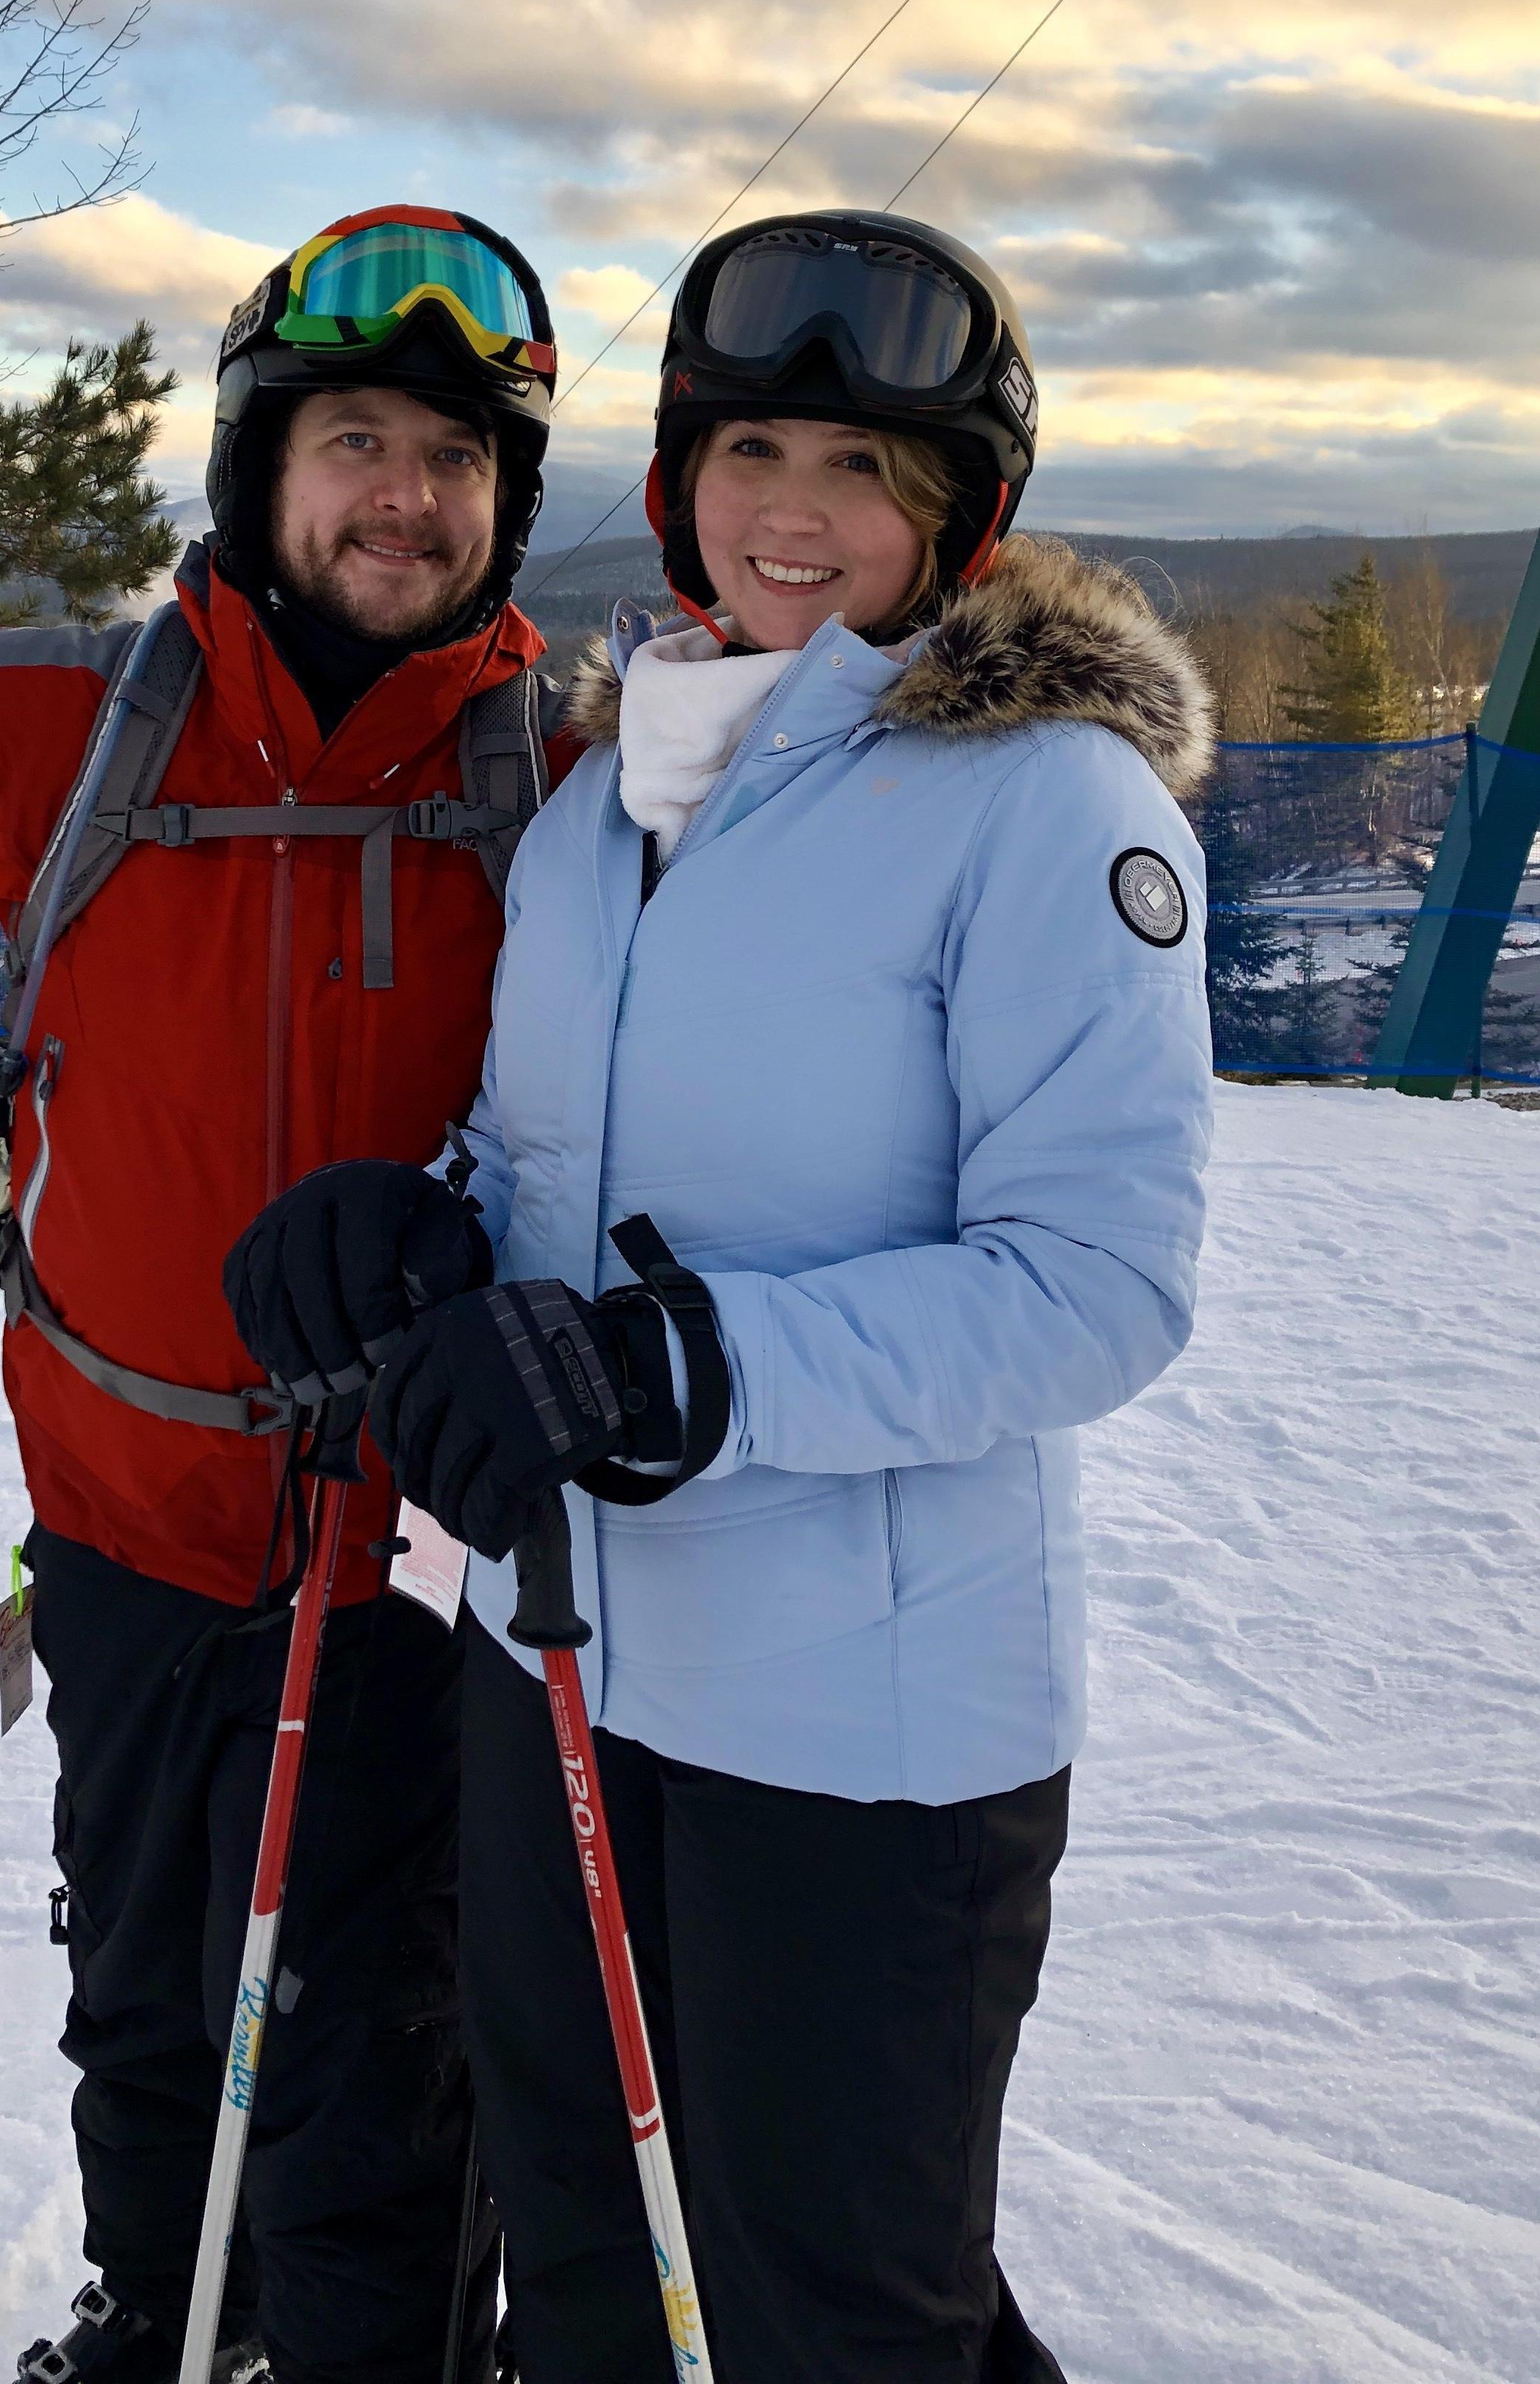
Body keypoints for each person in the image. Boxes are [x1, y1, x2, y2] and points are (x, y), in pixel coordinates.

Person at [224, 209, 1217, 2383]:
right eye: (760, 447)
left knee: (825, 2313)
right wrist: (417, 1228)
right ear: (683, 476)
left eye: (869, 472)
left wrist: (681, 1367)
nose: (799, 512)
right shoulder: (604, 799)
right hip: (560, 1656)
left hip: (863, 1734)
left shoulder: (1045, 807)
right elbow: (546, 1171)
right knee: (583, 2251)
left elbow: (1097, 1285)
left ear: (957, 525)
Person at [0, 208, 579, 2384]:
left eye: (456, 459)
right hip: (127, 1518)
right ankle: (173, 2323)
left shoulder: (562, 774)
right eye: (357, 438)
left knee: (392, 2040)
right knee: (157, 1987)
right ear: (264, 463)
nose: (405, 497)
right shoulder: (58, 720)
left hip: (416, 1556)